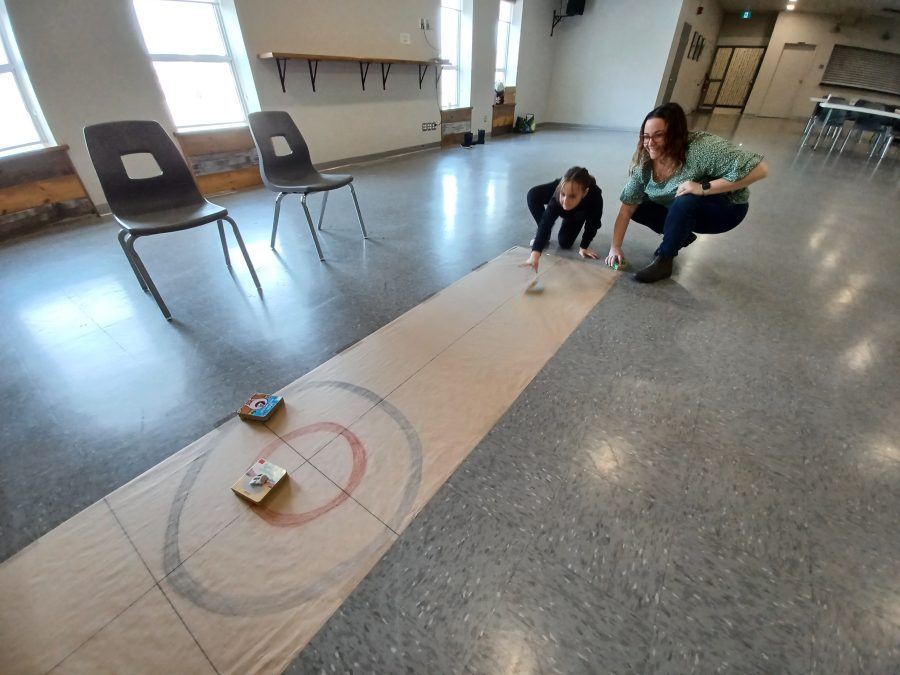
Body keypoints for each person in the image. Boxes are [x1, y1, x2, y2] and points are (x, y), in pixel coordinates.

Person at [605, 102, 768, 283]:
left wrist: (703, 188)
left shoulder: (703, 148)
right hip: (684, 209)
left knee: (687, 198)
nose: (650, 143)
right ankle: (681, 235)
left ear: (676, 135)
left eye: (659, 135)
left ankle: (665, 260)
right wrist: (615, 247)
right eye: (646, 136)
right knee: (639, 205)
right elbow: (627, 208)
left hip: (727, 210)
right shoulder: (645, 161)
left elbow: (760, 170)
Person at [523, 166, 603, 273]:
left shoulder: (595, 196)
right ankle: (545, 237)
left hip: (577, 214)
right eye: (563, 194)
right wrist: (534, 256)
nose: (565, 201)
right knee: (533, 195)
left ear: (584, 193)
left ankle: (572, 216)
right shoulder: (556, 197)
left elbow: (593, 223)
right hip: (561, 199)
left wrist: (584, 246)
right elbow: (545, 224)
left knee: (565, 243)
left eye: (572, 196)